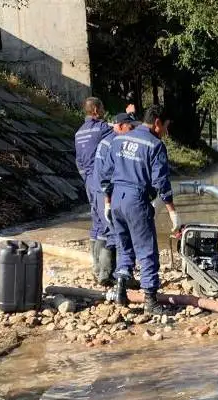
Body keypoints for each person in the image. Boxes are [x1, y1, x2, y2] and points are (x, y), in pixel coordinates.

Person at [100, 104, 179, 314]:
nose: (166, 132)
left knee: (124, 246)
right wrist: (172, 211)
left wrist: (107, 202)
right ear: (157, 123)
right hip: (136, 201)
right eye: (166, 127)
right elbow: (161, 182)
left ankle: (120, 292)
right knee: (146, 251)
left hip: (117, 200)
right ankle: (150, 301)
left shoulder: (118, 140)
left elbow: (105, 175)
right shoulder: (155, 145)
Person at [92, 112, 141, 287]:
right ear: (120, 126)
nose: (133, 130)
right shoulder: (115, 142)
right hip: (107, 192)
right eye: (130, 127)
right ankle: (116, 276)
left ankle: (100, 271)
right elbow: (112, 172)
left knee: (104, 230)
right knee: (118, 234)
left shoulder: (106, 140)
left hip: (98, 190)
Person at [74, 97, 113, 282]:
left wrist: (87, 179)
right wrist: (130, 116)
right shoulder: (102, 129)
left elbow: (79, 162)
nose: (104, 111)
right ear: (96, 110)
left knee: (96, 224)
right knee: (108, 224)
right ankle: (105, 273)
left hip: (89, 182)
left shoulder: (79, 133)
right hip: (100, 181)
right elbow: (121, 130)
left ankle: (96, 268)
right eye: (102, 107)